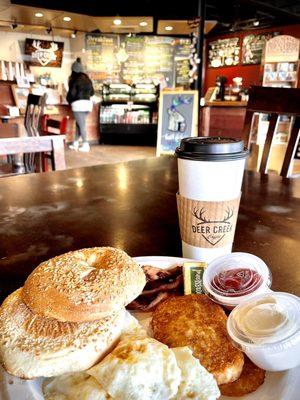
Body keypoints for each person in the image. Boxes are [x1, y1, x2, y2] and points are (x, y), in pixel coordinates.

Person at [67, 58, 94, 152]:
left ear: (73, 70)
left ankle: (86, 145)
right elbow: (92, 93)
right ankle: (75, 143)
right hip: (88, 105)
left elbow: (71, 94)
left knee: (81, 125)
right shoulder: (88, 80)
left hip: (78, 105)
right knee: (79, 124)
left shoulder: (74, 80)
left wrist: (69, 101)